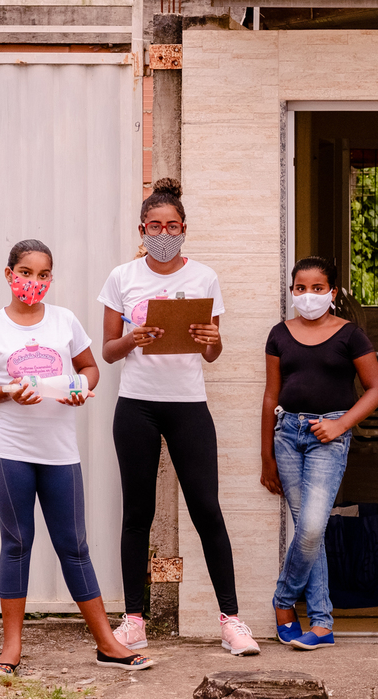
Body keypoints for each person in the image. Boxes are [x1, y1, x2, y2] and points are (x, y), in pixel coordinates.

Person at [0, 239, 154, 674]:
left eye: (43, 274)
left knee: (75, 546)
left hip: (60, 454)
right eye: (26, 272)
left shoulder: (65, 321)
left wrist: (80, 389)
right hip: (9, 451)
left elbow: (91, 368)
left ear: (51, 279)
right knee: (16, 545)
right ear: (8, 273)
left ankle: (107, 643)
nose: (34, 282)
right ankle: (11, 648)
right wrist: (7, 390)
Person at [99, 178, 259, 656]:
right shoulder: (122, 278)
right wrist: (135, 337)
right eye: (155, 225)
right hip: (137, 406)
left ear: (184, 229)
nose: (163, 232)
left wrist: (210, 340)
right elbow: (108, 351)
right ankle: (133, 621)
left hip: (189, 405)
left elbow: (213, 350)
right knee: (137, 514)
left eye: (172, 225)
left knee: (207, 509)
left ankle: (231, 621)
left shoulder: (204, 277)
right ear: (142, 229)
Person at [261, 256, 378, 650]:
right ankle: (321, 623)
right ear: (292, 291)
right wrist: (266, 457)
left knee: (312, 528)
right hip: (287, 435)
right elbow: (270, 395)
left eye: (318, 288)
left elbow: (376, 389)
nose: (308, 295)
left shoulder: (351, 335)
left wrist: (340, 425)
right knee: (307, 532)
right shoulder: (279, 334)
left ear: (332, 293)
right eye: (301, 288)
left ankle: (284, 602)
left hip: (328, 437)